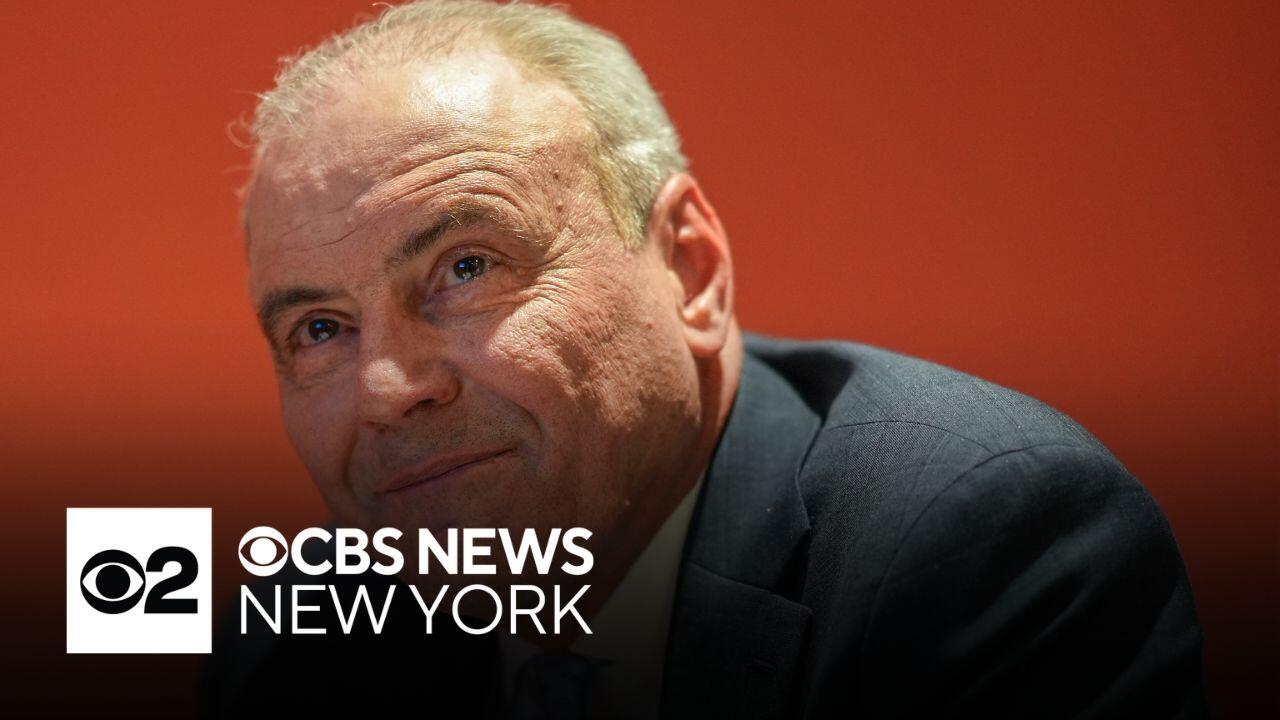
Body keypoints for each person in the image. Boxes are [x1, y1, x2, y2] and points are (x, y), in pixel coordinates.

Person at [205, 1, 1210, 717]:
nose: (389, 390)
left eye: (466, 267)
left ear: (688, 267)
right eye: (320, 330)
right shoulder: (295, 643)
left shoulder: (978, 553)